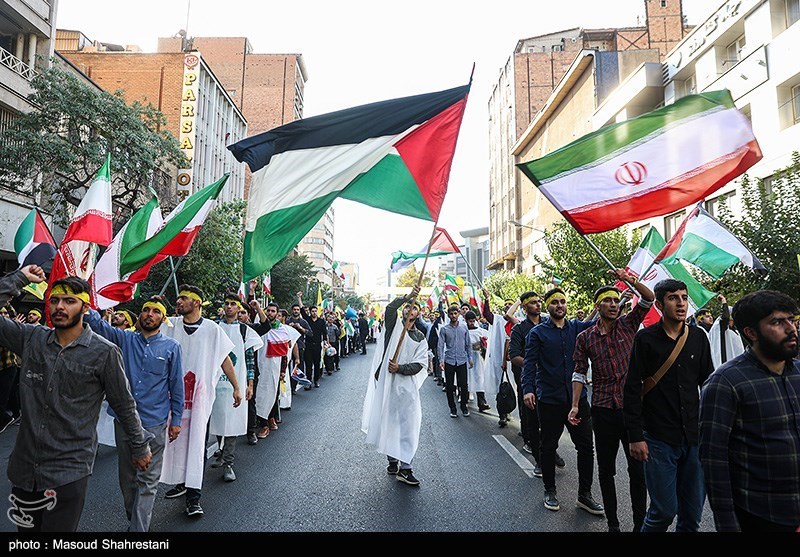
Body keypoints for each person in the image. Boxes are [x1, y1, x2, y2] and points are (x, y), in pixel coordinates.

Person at [0, 267, 152, 532]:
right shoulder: (31, 338)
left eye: (70, 301)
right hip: (25, 470)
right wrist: (20, 278)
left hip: (68, 473)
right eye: (55, 300)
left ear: (84, 308)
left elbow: (124, 404)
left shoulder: (104, 353)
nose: (60, 306)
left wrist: (139, 446)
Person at [699, 290, 800, 532]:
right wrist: (727, 524)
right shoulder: (725, 383)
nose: (791, 329)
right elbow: (714, 461)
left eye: (792, 320)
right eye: (777, 322)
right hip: (762, 515)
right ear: (751, 333)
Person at [85, 296, 183, 532]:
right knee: (127, 479)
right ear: (140, 316)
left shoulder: (172, 347)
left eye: (156, 311)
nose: (150, 314)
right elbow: (99, 326)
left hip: (155, 423)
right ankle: (135, 518)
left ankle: (138, 531)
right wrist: (88, 304)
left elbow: (176, 385)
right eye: (146, 310)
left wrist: (176, 420)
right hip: (125, 422)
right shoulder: (125, 339)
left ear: (163, 318)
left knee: (148, 481)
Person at [623, 279, 713, 532]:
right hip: (659, 438)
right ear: (661, 305)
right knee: (663, 511)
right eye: (674, 298)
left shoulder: (698, 337)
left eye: (684, 297)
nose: (681, 303)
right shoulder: (646, 339)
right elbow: (631, 388)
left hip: (694, 438)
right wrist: (635, 437)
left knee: (691, 515)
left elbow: (708, 383)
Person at [568, 271, 654, 532]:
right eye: (608, 301)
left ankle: (640, 525)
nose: (614, 304)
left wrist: (627, 278)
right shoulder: (585, 338)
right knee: (606, 471)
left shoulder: (629, 325)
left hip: (632, 410)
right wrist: (574, 404)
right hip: (603, 409)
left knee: (638, 473)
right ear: (598, 306)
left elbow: (648, 299)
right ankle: (614, 525)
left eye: (617, 301)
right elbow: (579, 371)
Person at [161, 284, 241, 518]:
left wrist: (237, 386)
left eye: (184, 298)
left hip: (199, 399)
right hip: (171, 399)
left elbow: (224, 358)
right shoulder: (171, 325)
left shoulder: (212, 329)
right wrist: (156, 305)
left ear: (197, 303)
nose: (179, 302)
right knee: (173, 444)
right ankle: (181, 482)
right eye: (178, 299)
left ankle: (193, 498)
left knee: (196, 445)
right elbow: (148, 330)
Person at [522, 287, 602, 515]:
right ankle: (550, 490)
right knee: (548, 447)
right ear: (548, 306)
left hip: (578, 400)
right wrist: (528, 389)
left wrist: (620, 297)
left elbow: (601, 323)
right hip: (550, 400)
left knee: (586, 447)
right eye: (555, 302)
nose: (560, 305)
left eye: (563, 302)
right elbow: (529, 365)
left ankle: (584, 495)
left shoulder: (577, 328)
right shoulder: (537, 333)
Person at [361, 285, 428, 486]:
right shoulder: (393, 327)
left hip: (406, 386)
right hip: (387, 383)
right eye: (407, 306)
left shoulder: (420, 337)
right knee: (389, 422)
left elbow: (420, 364)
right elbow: (390, 309)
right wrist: (408, 296)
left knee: (409, 424)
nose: (410, 309)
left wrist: (400, 368)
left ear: (418, 313)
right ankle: (392, 460)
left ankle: (406, 468)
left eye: (414, 307)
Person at [208, 293, 261, 482]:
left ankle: (229, 463)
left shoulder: (245, 331)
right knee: (217, 418)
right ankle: (221, 452)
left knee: (232, 420)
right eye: (227, 303)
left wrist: (249, 384)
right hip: (215, 383)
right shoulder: (214, 327)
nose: (229, 307)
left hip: (236, 384)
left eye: (233, 304)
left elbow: (249, 360)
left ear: (239, 308)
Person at [249, 300, 300, 436]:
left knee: (272, 394)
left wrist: (283, 370)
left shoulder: (283, 330)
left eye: (273, 311)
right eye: (268, 310)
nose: (270, 313)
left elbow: (284, 353)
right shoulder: (260, 328)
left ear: (278, 314)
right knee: (259, 395)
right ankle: (263, 423)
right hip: (259, 367)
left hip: (275, 369)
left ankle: (268, 421)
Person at [438, 304, 473, 418]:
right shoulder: (444, 329)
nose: (453, 315)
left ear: (458, 314)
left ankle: (464, 406)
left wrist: (470, 358)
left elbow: (468, 345)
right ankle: (452, 408)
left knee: (463, 385)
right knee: (449, 386)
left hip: (462, 360)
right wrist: (441, 360)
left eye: (455, 313)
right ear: (448, 315)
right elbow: (440, 346)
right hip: (449, 360)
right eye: (451, 314)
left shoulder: (464, 328)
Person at [708, 294, 745, 369]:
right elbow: (725, 317)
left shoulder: (736, 331)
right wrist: (724, 301)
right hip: (726, 365)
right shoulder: (723, 328)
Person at [464, 310, 490, 413]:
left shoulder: (481, 331)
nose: (472, 323)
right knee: (466, 379)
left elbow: (487, 341)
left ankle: (481, 403)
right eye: (470, 321)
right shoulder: (463, 331)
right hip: (466, 358)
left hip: (478, 358)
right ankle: (464, 401)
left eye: (473, 321)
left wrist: (483, 343)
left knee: (480, 378)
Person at [300, 300, 326, 388]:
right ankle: (308, 382)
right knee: (308, 364)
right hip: (308, 345)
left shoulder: (321, 321)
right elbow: (302, 310)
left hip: (317, 345)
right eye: (312, 311)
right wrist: (299, 298)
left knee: (317, 363)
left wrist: (326, 341)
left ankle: (316, 380)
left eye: (315, 311)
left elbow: (324, 332)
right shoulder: (307, 320)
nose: (314, 312)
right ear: (310, 312)